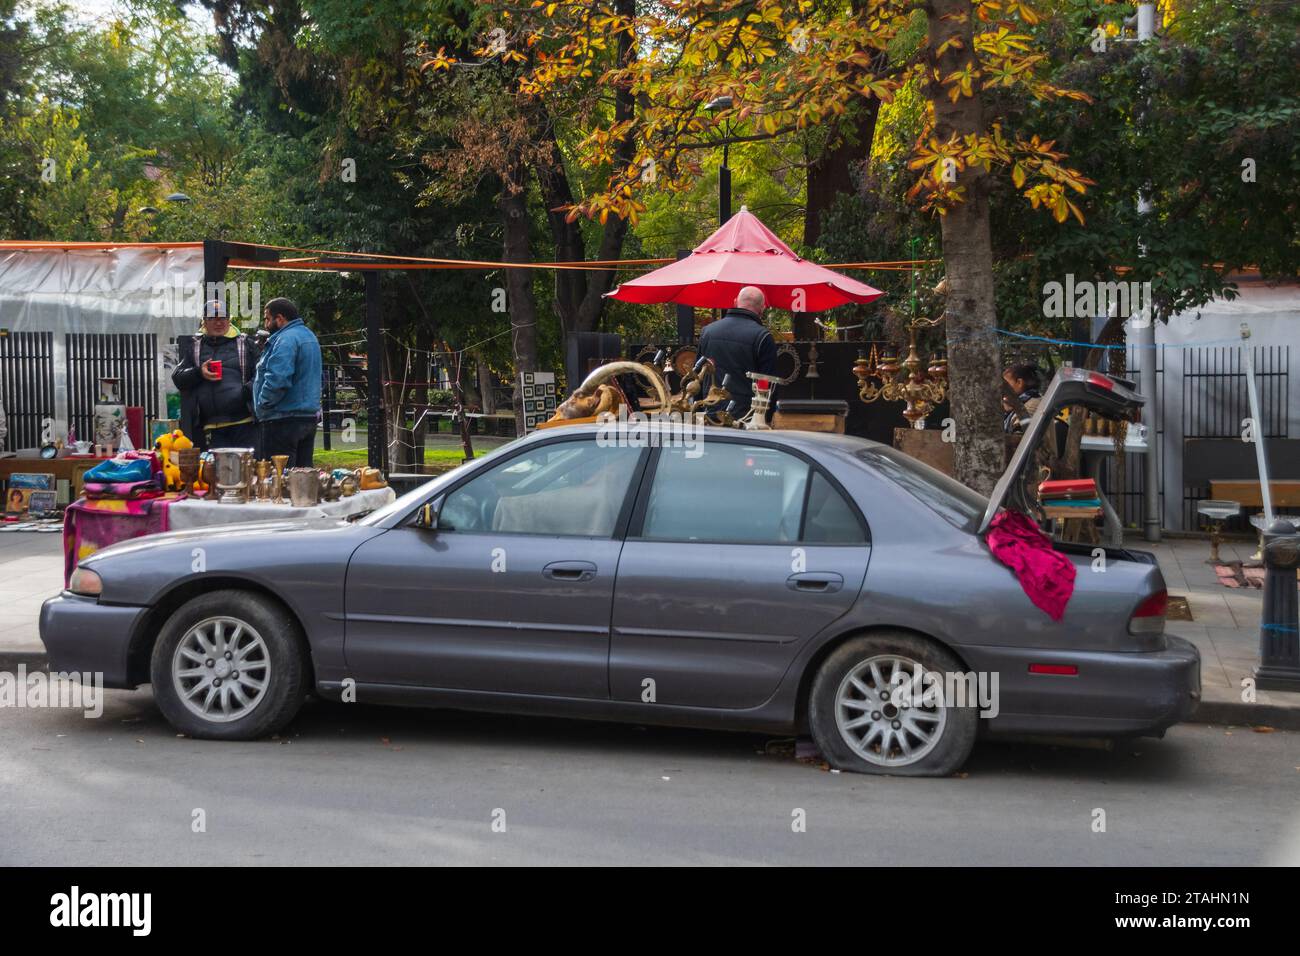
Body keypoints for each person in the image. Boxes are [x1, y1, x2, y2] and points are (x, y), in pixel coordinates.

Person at [171, 300, 258, 451]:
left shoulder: (244, 343)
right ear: (204, 322)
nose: (219, 323)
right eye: (213, 318)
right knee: (216, 473)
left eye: (223, 318)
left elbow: (261, 375)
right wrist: (199, 372)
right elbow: (178, 377)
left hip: (244, 424)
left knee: (245, 472)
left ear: (229, 320)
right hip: (211, 428)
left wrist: (245, 392)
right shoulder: (196, 346)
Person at [254, 297, 322, 467]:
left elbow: (278, 379)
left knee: (279, 481)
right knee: (302, 480)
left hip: (282, 419)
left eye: (267, 318)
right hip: (307, 418)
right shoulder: (309, 335)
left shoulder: (285, 339)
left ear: (280, 318)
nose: (266, 324)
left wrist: (262, 405)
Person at [697, 286, 778, 419]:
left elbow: (698, 375)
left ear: (735, 302)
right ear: (762, 308)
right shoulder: (763, 337)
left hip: (710, 413)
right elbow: (769, 383)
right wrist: (766, 418)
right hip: (746, 417)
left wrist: (700, 409)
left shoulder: (708, 332)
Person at [1002, 364, 1043, 433]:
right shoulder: (1030, 401)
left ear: (1019, 383)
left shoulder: (1031, 406)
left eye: (1006, 384)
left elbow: (1018, 439)